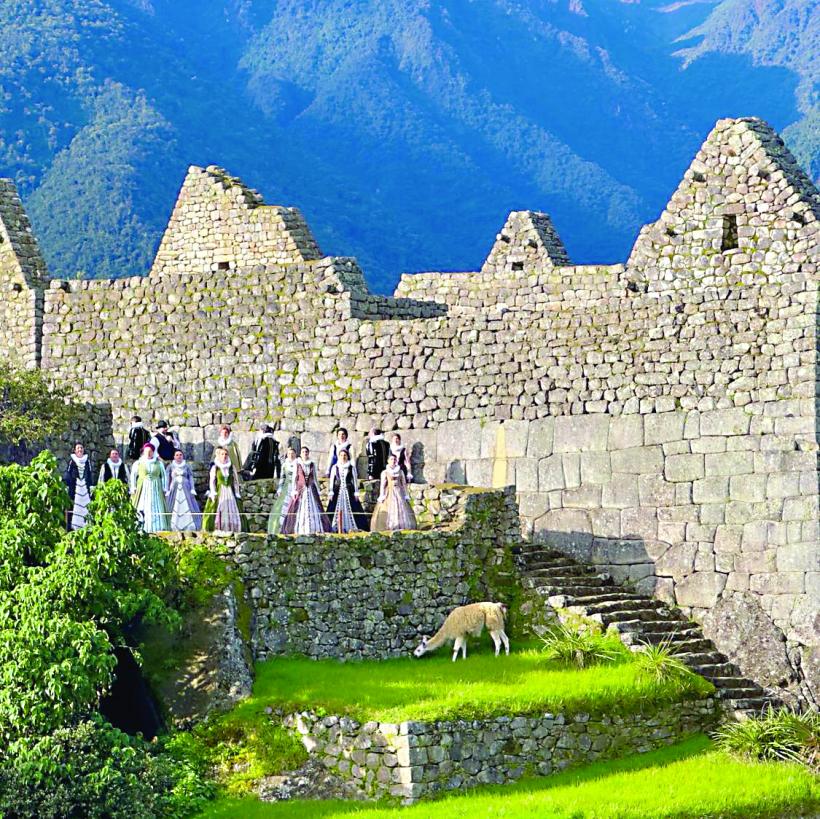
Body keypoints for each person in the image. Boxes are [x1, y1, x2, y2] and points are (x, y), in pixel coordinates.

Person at [281, 447, 331, 535]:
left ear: (308, 453)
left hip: (311, 489)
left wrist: (318, 489)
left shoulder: (312, 464)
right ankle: (301, 528)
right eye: (303, 452)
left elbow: (315, 478)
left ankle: (314, 527)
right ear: (301, 453)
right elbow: (294, 478)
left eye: (306, 452)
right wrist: (294, 490)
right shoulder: (298, 464)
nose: (305, 453)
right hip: (301, 489)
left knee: (315, 507)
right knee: (297, 509)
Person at [371, 454, 417, 532]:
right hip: (389, 492)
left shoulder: (400, 471)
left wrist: (406, 495)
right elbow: (382, 485)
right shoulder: (385, 472)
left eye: (394, 459)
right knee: (388, 507)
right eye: (391, 459)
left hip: (399, 492)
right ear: (388, 461)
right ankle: (389, 525)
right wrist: (382, 495)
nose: (393, 461)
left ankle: (401, 524)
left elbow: (404, 484)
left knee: (401, 507)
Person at [203, 446, 244, 533]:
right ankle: (219, 528)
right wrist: (213, 492)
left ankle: (232, 528)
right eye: (222, 454)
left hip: (230, 491)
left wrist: (237, 492)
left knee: (233, 509)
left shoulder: (231, 467)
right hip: (219, 491)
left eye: (226, 454)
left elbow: (236, 481)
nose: (224, 456)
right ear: (219, 455)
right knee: (219, 508)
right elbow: (212, 481)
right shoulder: (215, 467)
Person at [327, 448, 369, 533]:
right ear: (338, 456)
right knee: (334, 509)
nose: (343, 457)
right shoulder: (335, 467)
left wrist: (356, 492)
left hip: (349, 490)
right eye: (341, 455)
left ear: (347, 456)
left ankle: (353, 527)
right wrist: (331, 491)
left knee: (354, 508)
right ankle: (334, 527)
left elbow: (354, 479)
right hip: (337, 490)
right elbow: (332, 480)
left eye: (345, 455)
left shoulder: (351, 467)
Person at [130, 443, 170, 532]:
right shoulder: (138, 463)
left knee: (157, 505)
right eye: (146, 451)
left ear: (153, 452)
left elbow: (163, 476)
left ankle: (158, 526)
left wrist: (164, 488)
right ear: (143, 452)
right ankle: (141, 526)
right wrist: (133, 487)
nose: (148, 453)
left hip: (156, 488)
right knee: (142, 505)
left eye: (150, 452)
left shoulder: (159, 463)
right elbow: (133, 475)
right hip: (143, 487)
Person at [165, 449, 200, 532]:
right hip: (174, 489)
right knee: (175, 505)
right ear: (174, 457)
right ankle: (173, 524)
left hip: (186, 489)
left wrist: (192, 488)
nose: (179, 456)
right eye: (177, 455)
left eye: (180, 455)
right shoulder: (170, 466)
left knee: (188, 505)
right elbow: (167, 478)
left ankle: (189, 524)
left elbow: (190, 477)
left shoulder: (186, 466)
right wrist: (167, 489)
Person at [64, 442, 95, 530]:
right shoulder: (72, 461)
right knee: (73, 507)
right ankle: (71, 528)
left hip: (85, 487)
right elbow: (68, 474)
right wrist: (68, 485)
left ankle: (86, 526)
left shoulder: (87, 461)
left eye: (81, 448)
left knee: (86, 507)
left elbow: (89, 474)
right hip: (74, 488)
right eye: (78, 448)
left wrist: (90, 485)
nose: (80, 450)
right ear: (75, 450)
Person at [268, 446, 298, 535]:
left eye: (292, 453)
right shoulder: (285, 464)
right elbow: (282, 477)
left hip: (295, 489)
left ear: (295, 454)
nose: (291, 455)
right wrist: (280, 488)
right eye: (289, 454)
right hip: (286, 488)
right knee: (281, 508)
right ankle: (280, 528)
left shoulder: (298, 464)